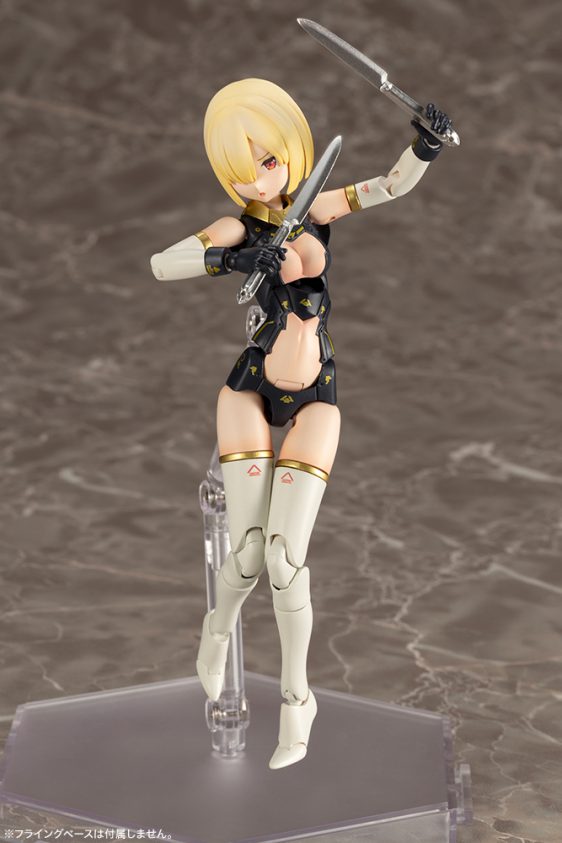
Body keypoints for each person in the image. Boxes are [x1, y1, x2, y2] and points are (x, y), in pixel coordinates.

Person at [150, 78, 452, 769]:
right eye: (241, 169)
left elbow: (387, 188)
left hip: (316, 390)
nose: (258, 178)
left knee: (285, 562)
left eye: (265, 159)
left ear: (288, 149)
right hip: (251, 388)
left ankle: (297, 698)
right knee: (247, 552)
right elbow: (162, 263)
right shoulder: (240, 226)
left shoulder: (316, 207)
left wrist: (425, 148)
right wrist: (231, 258)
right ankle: (217, 629)